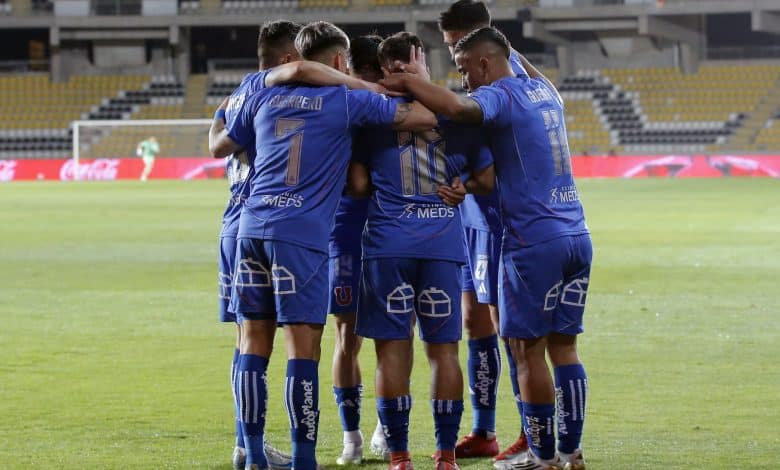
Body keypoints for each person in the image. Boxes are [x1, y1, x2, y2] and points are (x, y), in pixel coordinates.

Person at [211, 21, 437, 470]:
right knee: (303, 350)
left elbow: (222, 139)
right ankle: (303, 460)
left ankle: (252, 455)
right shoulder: (349, 99)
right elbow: (427, 117)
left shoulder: (259, 88)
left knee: (252, 344)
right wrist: (406, 80)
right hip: (301, 235)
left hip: (251, 228)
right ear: (339, 60)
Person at [380, 27, 591, 470]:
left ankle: (543, 456)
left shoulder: (501, 95)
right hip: (576, 233)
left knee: (525, 350)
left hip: (531, 241)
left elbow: (458, 106)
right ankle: (572, 453)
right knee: (565, 348)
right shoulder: (544, 92)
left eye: (464, 70)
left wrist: (404, 81)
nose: (465, 80)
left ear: (484, 64)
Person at [351, 32, 495, 470]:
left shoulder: (371, 117)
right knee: (444, 350)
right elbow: (487, 180)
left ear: (383, 67)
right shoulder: (456, 114)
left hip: (387, 244)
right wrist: (461, 185)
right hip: (441, 245)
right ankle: (446, 455)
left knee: (391, 350)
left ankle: (398, 456)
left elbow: (357, 184)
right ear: (422, 63)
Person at [436, 0, 538, 463]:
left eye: (455, 45)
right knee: (474, 322)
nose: (453, 58)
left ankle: (530, 431)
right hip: (473, 218)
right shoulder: (485, 72)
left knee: (509, 332)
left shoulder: (507, 76)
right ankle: (483, 429)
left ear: (477, 39)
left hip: (501, 218)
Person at [209, 20, 303, 470]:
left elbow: (217, 145)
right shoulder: (280, 96)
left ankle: (246, 445)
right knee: (270, 340)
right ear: (288, 60)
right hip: (266, 220)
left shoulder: (240, 95)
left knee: (245, 339)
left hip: (233, 225)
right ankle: (254, 446)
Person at [326, 34, 384, 467]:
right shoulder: (380, 106)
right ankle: (382, 431)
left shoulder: (341, 105)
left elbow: (357, 181)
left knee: (348, 338)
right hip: (386, 230)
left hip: (346, 230)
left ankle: (355, 439)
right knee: (390, 338)